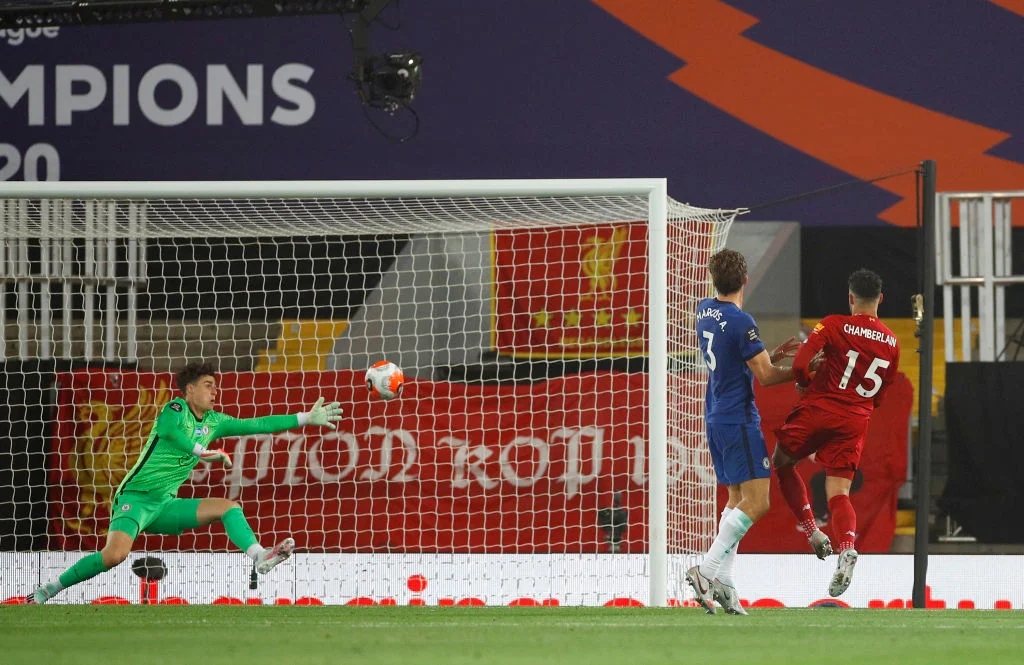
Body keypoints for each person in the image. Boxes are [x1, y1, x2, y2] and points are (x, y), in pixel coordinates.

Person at [28, 361, 343, 604]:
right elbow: (168, 432)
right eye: (208, 386)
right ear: (190, 390)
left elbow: (257, 424)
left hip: (165, 505)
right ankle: (50, 589)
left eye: (215, 387)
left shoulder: (215, 421)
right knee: (114, 556)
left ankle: (259, 556)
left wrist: (305, 418)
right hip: (136, 498)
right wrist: (201, 452)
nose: (214, 392)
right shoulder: (175, 409)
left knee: (228, 507)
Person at [686, 249, 813, 615]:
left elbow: (734, 355)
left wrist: (766, 353)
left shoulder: (704, 310)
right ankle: (706, 571)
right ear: (745, 280)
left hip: (715, 415)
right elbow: (766, 376)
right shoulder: (742, 321)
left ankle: (725, 582)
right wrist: (806, 371)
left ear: (713, 280)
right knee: (758, 503)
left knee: (736, 499)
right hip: (738, 418)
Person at [772, 269, 900, 597]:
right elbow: (880, 395)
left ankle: (813, 531)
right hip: (856, 419)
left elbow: (800, 365)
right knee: (839, 492)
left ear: (850, 297)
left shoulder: (833, 324)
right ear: (881, 299)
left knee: (782, 462)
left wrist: (804, 383)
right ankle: (847, 548)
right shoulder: (892, 342)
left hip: (820, 408)